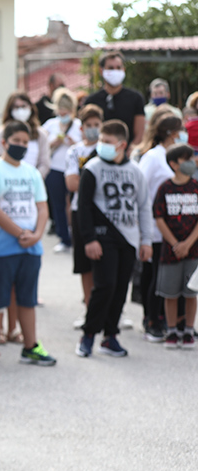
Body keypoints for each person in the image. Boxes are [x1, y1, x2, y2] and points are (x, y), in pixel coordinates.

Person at [0, 121, 57, 368]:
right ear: (4, 143)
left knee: (27, 298)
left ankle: (30, 346)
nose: (21, 146)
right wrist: (20, 232)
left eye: (25, 142)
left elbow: (42, 207)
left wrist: (36, 235)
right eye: (17, 141)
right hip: (2, 246)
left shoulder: (32, 173)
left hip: (31, 247)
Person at [75, 120, 153, 358]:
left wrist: (146, 240)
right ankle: (89, 334)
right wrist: (89, 239)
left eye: (107, 142)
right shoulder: (92, 168)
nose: (102, 145)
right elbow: (84, 207)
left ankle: (111, 336)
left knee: (120, 288)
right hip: (103, 236)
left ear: (121, 145)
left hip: (128, 238)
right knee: (105, 285)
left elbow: (143, 206)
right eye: (101, 140)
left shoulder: (135, 171)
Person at [137, 113, 186, 341]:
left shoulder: (179, 156)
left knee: (173, 278)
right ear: (171, 133)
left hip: (178, 229)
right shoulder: (153, 157)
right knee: (155, 276)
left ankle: (171, 320)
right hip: (157, 228)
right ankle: (151, 320)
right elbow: (141, 188)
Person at [152, 143, 198, 348]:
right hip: (170, 251)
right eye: (186, 159)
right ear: (173, 164)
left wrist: (188, 244)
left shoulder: (196, 186)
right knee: (170, 293)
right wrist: (175, 244)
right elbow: (159, 217)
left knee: (191, 292)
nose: (192, 162)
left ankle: (188, 330)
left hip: (193, 249)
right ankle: (171, 330)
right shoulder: (165, 188)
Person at [64, 104, 104, 326]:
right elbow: (71, 182)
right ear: (81, 127)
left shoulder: (109, 149)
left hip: (106, 212)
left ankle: (110, 309)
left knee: (108, 263)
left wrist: (87, 185)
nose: (92, 129)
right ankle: (90, 310)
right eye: (88, 125)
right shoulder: (75, 151)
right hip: (82, 211)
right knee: (85, 264)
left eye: (96, 125)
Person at [42, 88, 83, 254]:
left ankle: (77, 235)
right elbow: (42, 144)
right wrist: (54, 143)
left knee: (75, 204)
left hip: (73, 171)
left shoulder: (78, 125)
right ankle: (63, 238)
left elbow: (85, 145)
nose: (63, 112)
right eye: (60, 109)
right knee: (57, 204)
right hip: (55, 169)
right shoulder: (50, 125)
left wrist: (73, 142)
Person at [85, 51, 146, 146]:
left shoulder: (136, 98)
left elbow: (140, 132)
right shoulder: (91, 101)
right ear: (101, 71)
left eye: (118, 68)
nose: (115, 71)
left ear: (124, 69)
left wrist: (129, 152)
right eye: (111, 68)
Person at [0, 92, 52, 177]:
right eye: (16, 107)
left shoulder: (40, 134)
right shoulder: (2, 132)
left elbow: (44, 163)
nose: (20, 110)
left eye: (23, 106)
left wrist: (33, 179)